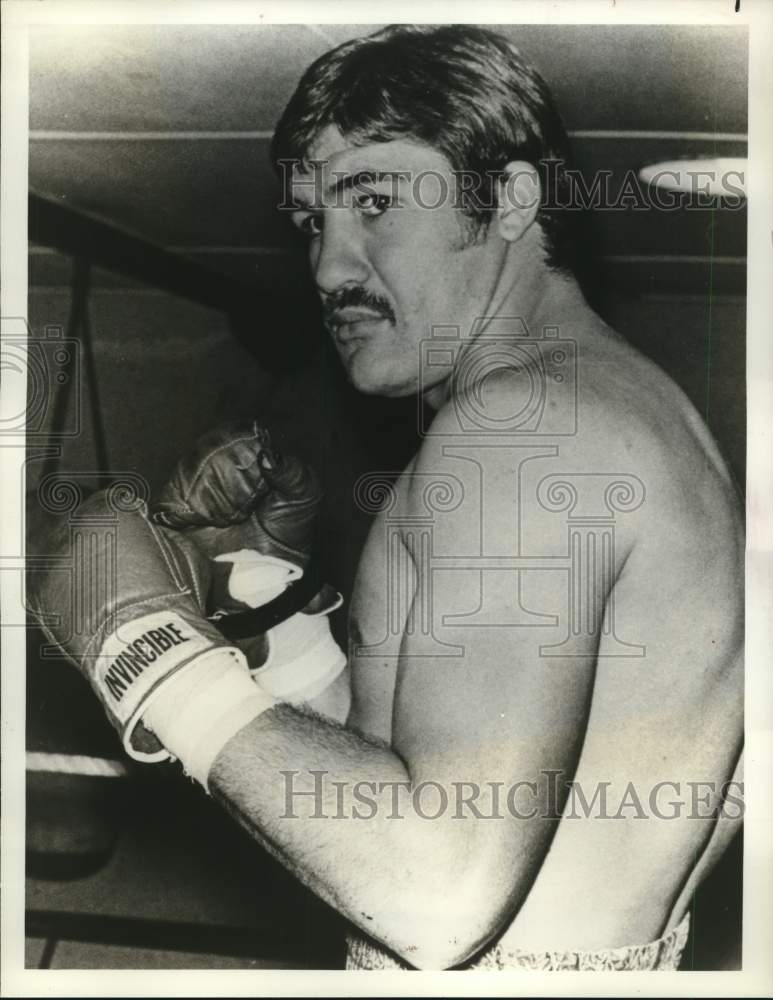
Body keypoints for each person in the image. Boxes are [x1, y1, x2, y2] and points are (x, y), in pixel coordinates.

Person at [28, 25, 744, 971]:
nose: (327, 267)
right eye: (312, 223)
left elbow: (438, 891)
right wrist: (264, 595)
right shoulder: (615, 407)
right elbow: (410, 772)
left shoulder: (523, 429)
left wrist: (140, 645)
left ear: (511, 201)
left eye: (373, 201)